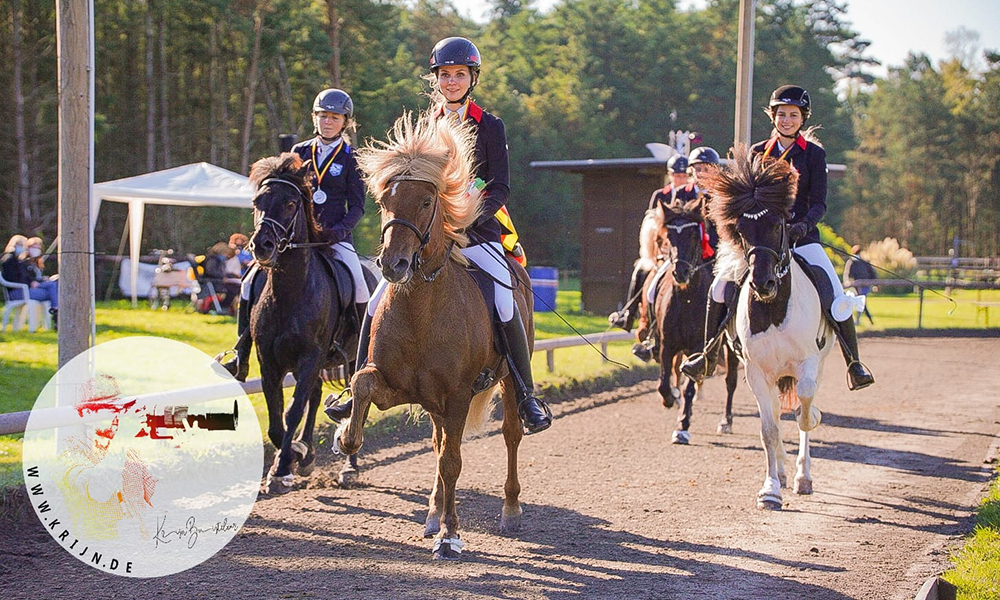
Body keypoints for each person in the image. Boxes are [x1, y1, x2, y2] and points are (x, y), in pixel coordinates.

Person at [325, 37, 551, 435]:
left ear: (471, 78)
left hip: (477, 233)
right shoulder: (424, 126)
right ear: (436, 80)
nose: (451, 81)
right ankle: (353, 386)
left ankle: (527, 394)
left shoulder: (489, 125)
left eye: (459, 74)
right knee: (378, 298)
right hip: (428, 236)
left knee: (503, 300)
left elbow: (501, 187)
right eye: (444, 75)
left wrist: (471, 198)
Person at [681, 85, 875, 391]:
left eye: (793, 115)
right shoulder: (759, 152)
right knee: (719, 287)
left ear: (802, 118)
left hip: (803, 238)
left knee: (836, 295)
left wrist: (802, 226)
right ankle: (707, 354)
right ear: (773, 116)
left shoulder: (813, 154)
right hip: (762, 241)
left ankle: (854, 363)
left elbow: (819, 202)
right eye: (781, 114)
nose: (786, 120)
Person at [218, 88, 369, 381]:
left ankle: (360, 354)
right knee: (250, 282)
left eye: (334, 117)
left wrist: (339, 232)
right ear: (315, 118)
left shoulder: (352, 158)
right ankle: (241, 353)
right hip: (294, 238)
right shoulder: (298, 152)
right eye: (323, 116)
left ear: (344, 122)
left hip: (334, 240)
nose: (328, 122)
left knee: (362, 287)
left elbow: (358, 207)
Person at [608, 153, 700, 335]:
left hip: (682, 248)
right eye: (676, 175)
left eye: (683, 175)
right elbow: (651, 221)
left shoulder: (691, 194)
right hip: (660, 247)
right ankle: (628, 313)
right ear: (670, 174)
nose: (680, 179)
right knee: (640, 271)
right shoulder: (660, 195)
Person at [2, 234, 59, 326]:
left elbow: (25, 277)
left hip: (26, 289)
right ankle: (56, 312)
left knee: (54, 287)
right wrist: (30, 283)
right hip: (18, 291)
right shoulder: (9, 260)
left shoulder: (18, 260)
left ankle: (56, 312)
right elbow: (14, 278)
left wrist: (39, 280)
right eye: (18, 244)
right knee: (53, 289)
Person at [843, 244, 876, 325]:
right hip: (855, 286)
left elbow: (872, 273)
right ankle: (867, 320)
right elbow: (848, 274)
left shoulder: (861, 262)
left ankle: (860, 320)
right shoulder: (853, 262)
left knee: (861, 301)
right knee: (860, 302)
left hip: (863, 285)